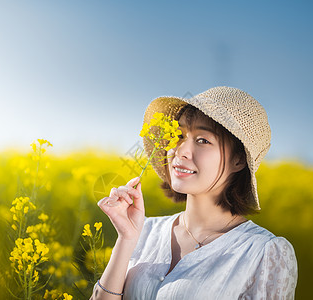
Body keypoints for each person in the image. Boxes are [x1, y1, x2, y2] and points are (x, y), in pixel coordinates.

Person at [91, 86, 298, 299]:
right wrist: (126, 239)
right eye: (179, 135)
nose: (180, 150)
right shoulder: (144, 230)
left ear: (239, 159)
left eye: (203, 140)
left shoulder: (264, 253)